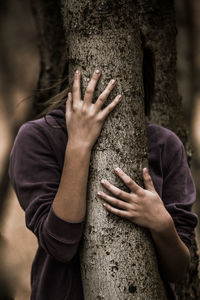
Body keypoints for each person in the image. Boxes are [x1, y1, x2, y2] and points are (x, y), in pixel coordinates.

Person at [8, 69, 198, 300]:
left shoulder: (165, 144)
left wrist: (162, 224)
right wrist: (78, 146)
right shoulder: (38, 137)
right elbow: (60, 245)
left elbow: (177, 269)